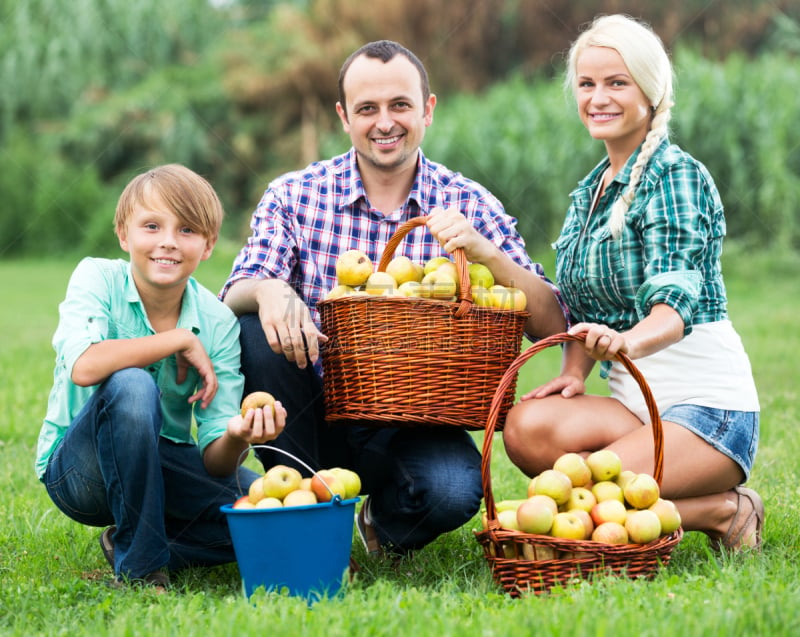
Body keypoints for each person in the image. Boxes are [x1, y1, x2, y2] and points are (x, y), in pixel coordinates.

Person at [220, 40, 567, 557]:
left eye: (400, 105)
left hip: (411, 417)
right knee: (255, 326)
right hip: (309, 410)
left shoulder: (468, 203)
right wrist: (269, 289)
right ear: (344, 116)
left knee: (453, 489)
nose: (385, 122)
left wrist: (486, 253)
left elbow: (550, 321)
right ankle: (301, 509)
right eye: (367, 109)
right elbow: (232, 294)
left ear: (428, 108)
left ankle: (380, 520)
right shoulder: (295, 194)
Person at [502, 15, 763, 552]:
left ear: (651, 90)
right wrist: (576, 370)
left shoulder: (675, 175)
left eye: (616, 82)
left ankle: (723, 508)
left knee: (584, 497)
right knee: (526, 427)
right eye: (587, 83)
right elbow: (577, 301)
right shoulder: (590, 193)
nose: (599, 97)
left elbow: (675, 306)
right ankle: (665, 479)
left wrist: (627, 343)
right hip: (634, 407)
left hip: (710, 413)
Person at [36, 164, 287, 590]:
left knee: (264, 514)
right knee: (132, 384)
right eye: (152, 226)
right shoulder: (97, 276)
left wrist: (238, 434)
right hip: (80, 469)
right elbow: (85, 366)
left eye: (187, 230)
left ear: (208, 245)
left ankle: (136, 542)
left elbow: (214, 458)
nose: (168, 242)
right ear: (124, 234)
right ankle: (142, 571)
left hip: (162, 461)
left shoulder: (217, 322)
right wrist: (176, 340)